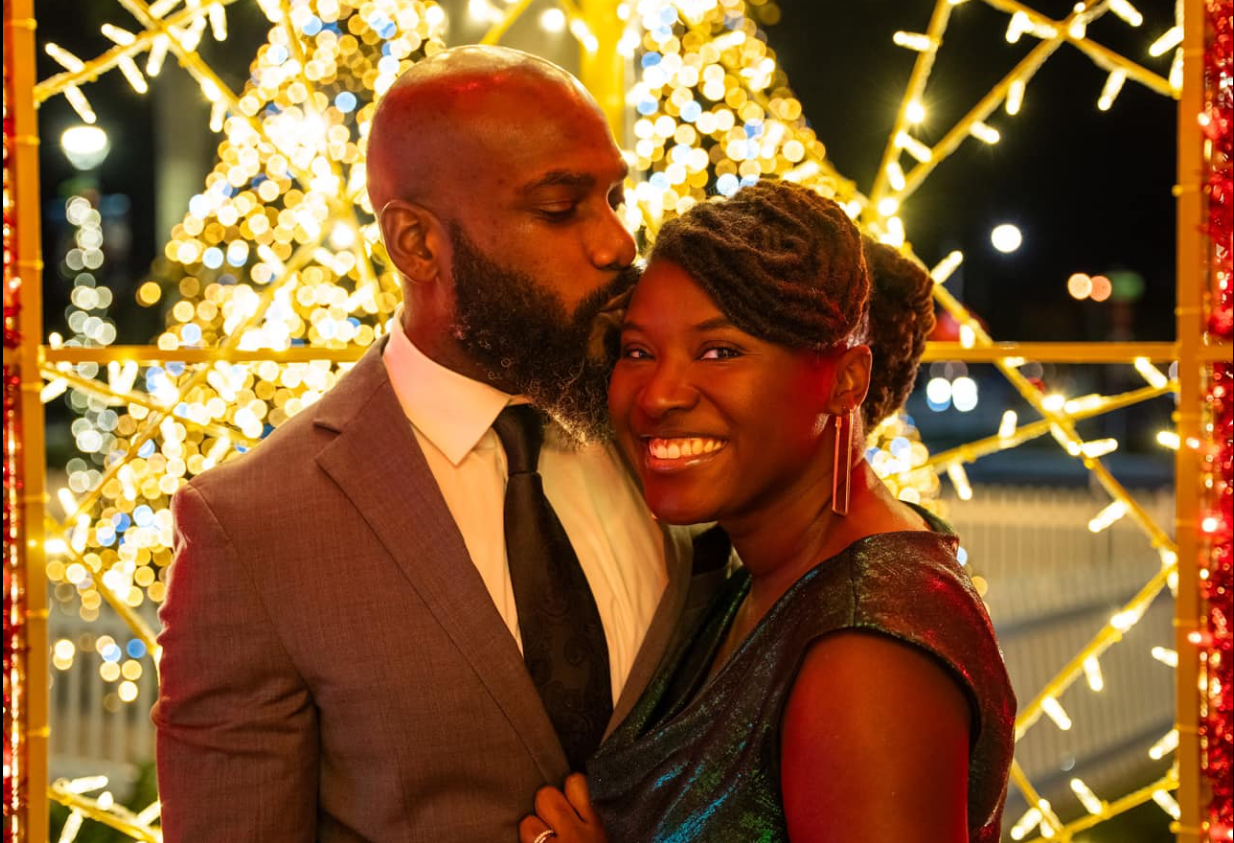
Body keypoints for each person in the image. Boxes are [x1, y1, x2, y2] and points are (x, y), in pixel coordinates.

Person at [153, 46, 728, 842]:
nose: (618, 243)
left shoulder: (678, 430)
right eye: (562, 208)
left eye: (614, 196)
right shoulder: (253, 526)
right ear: (417, 244)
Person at [518, 181, 1016, 843]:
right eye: (638, 351)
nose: (658, 395)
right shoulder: (765, 571)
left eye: (720, 351)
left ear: (847, 380)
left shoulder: (867, 654)